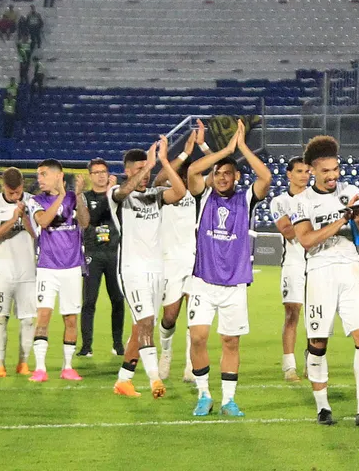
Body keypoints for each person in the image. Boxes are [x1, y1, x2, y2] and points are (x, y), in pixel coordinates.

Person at [292, 135, 359, 427]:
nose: (333, 175)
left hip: (350, 269)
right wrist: (341, 221)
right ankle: (323, 408)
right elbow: (306, 240)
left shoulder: (351, 192)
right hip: (319, 272)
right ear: (312, 172)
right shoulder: (301, 202)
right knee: (318, 342)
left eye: (335, 169)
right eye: (326, 170)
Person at [185, 120, 272, 417]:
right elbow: (192, 172)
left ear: (236, 176)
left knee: (230, 341)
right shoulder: (203, 195)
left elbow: (266, 176)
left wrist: (242, 148)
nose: (222, 178)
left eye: (227, 173)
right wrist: (225, 149)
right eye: (217, 173)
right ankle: (203, 394)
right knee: (197, 337)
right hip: (203, 281)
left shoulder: (246, 199)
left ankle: (228, 400)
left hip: (234, 283)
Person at [110, 137, 187, 399]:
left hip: (157, 270)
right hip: (132, 270)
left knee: (141, 328)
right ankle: (155, 380)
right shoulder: (117, 197)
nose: (146, 176)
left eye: (148, 171)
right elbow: (123, 192)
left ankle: (124, 380)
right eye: (140, 170)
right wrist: (149, 164)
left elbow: (180, 193)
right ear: (128, 171)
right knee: (145, 323)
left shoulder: (155, 196)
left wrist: (164, 162)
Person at [27, 159, 89, 382]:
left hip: (72, 267)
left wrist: (79, 196)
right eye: (38, 175)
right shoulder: (36, 201)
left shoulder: (74, 198)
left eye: (43, 174)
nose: (39, 179)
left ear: (58, 175)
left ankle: (68, 367)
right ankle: (40, 368)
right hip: (47, 267)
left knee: (70, 319)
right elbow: (43, 221)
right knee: (43, 315)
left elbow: (85, 222)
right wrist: (62, 196)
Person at [154, 125, 203, 383]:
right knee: (170, 316)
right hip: (170, 262)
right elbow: (159, 178)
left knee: (194, 316)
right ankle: (166, 352)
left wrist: (201, 150)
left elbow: (217, 172)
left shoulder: (197, 194)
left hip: (195, 262)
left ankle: (190, 366)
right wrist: (183, 153)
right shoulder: (164, 193)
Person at [0, 167, 36, 377]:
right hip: (3, 272)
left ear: (23, 185)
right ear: (3, 187)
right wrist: (14, 219)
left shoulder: (33, 202)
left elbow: (38, 234)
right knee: (0, 318)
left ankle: (23, 363)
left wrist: (25, 219)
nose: (15, 196)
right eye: (11, 192)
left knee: (29, 319)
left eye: (18, 191)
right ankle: (0, 364)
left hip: (29, 272)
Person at [269, 155, 312, 382]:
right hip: (294, 265)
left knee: (315, 317)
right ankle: (289, 367)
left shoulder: (317, 198)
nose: (304, 175)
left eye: (307, 171)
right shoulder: (279, 202)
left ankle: (312, 361)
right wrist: (306, 213)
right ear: (289, 174)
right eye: (299, 171)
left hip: (316, 263)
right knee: (292, 313)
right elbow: (288, 231)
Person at [77, 159, 124, 358]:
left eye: (103, 171)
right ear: (90, 176)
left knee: (117, 300)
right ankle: (86, 346)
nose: (101, 175)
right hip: (93, 254)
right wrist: (78, 194)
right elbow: (85, 223)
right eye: (96, 172)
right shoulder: (85, 197)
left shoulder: (118, 195)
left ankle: (118, 344)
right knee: (89, 301)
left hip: (115, 252)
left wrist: (112, 192)